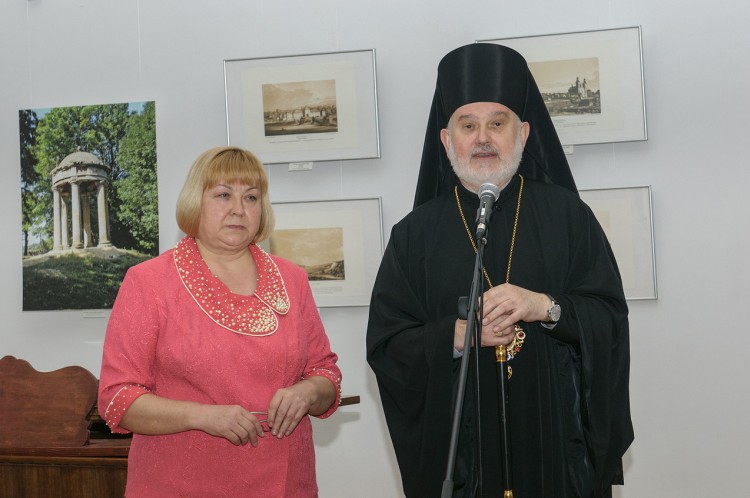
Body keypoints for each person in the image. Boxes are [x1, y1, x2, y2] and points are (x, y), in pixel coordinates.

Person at [366, 43, 633, 497]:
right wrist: (457, 336)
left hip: (555, 451)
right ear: (446, 140)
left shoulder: (569, 217)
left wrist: (545, 307)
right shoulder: (414, 236)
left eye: (497, 123)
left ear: (523, 134)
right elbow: (387, 344)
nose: (483, 138)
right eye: (468, 125)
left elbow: (609, 319)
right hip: (465, 464)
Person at [98, 146, 342, 497]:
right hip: (180, 484)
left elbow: (326, 374)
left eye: (251, 197)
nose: (239, 209)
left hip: (286, 482)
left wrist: (307, 392)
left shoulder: (292, 279)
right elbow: (117, 398)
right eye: (224, 195)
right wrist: (203, 417)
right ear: (195, 201)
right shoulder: (148, 282)